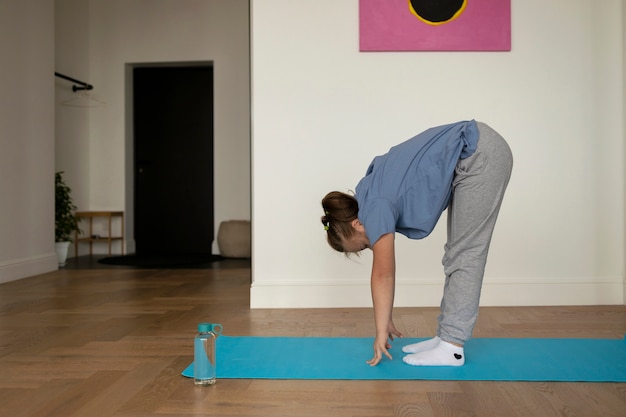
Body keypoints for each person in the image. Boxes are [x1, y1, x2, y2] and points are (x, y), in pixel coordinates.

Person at [321, 120, 512, 367]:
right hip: (474, 150)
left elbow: (383, 274)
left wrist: (380, 330)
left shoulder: (375, 208)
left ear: (357, 224)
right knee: (457, 253)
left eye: (362, 246)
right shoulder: (367, 192)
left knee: (467, 253)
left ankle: (452, 347)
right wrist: (385, 316)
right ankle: (446, 336)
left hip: (479, 153)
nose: (370, 248)